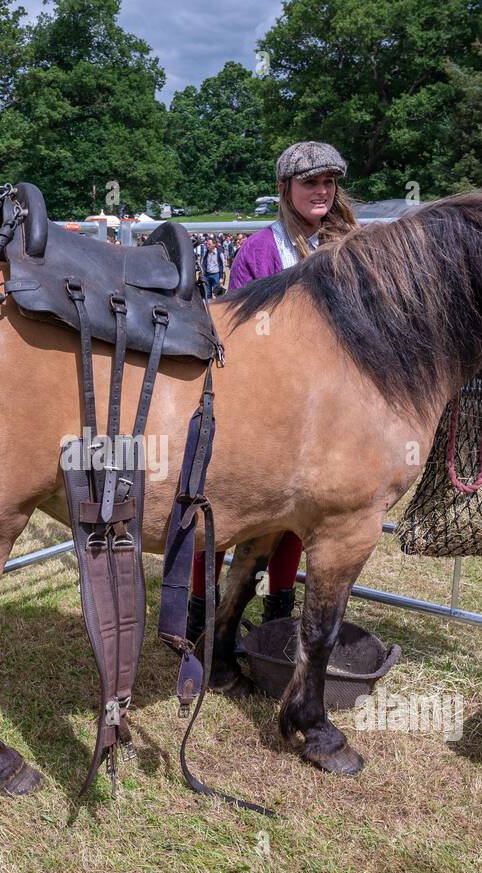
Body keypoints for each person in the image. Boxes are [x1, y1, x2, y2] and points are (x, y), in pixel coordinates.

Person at [188, 140, 358, 643]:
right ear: (286, 189)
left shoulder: (350, 241)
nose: (322, 191)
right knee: (219, 509)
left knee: (299, 518)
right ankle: (200, 620)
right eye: (311, 182)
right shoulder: (262, 249)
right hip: (262, 396)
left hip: (328, 401)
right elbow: (232, 327)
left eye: (329, 181)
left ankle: (277, 619)